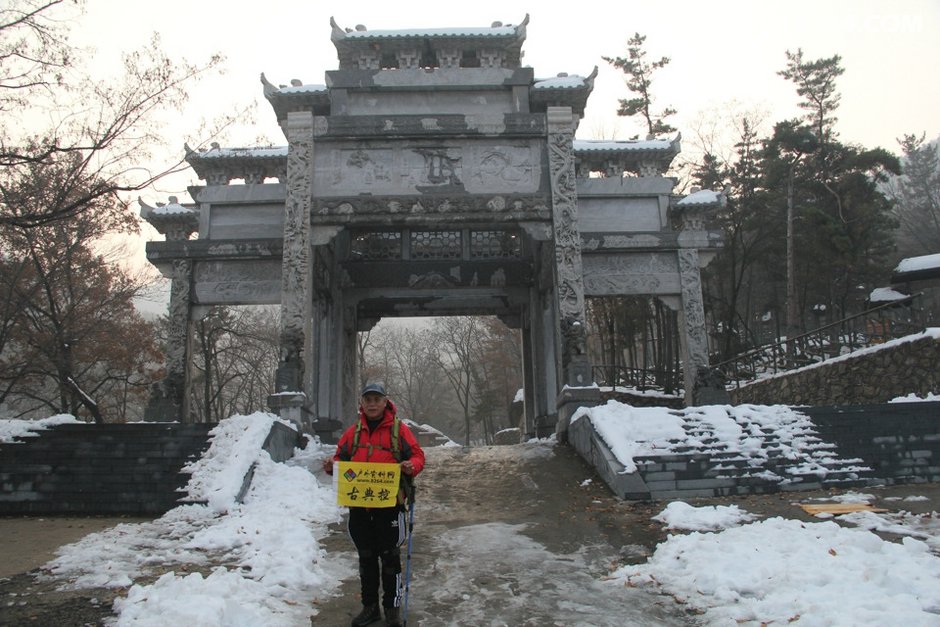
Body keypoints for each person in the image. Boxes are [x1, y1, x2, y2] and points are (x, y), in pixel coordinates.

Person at [323, 382, 426, 627]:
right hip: (360, 505)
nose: (372, 404)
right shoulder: (353, 433)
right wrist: (331, 466)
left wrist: (411, 466)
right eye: (367, 399)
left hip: (390, 505)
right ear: (362, 403)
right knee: (366, 557)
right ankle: (370, 607)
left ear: (385, 402)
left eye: (376, 399)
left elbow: (418, 455)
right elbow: (340, 460)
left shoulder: (399, 430)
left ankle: (392, 608)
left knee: (390, 557)